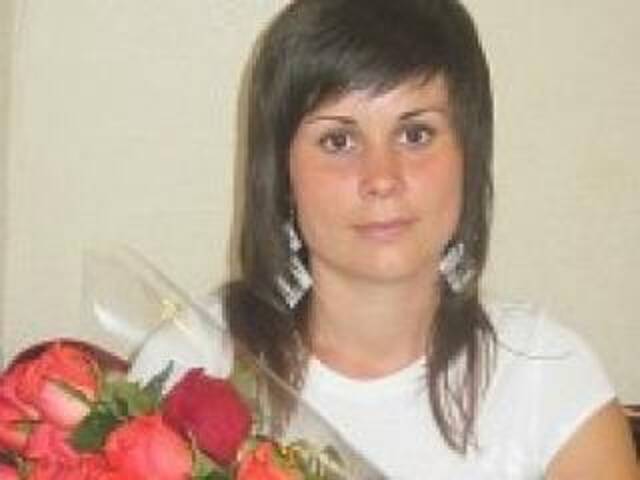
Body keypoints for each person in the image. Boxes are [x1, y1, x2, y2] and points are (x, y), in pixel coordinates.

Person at [130, 0, 639, 478]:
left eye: (415, 134)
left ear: (468, 156)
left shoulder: (547, 380)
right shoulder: (191, 366)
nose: (382, 178)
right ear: (282, 175)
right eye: (338, 140)